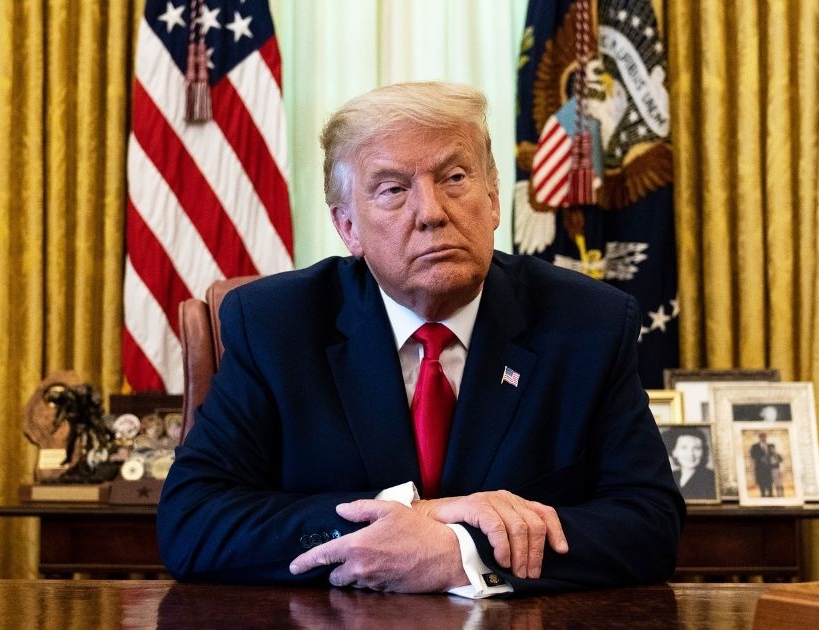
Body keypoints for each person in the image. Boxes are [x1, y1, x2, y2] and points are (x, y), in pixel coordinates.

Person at [156, 81, 684, 597]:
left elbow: (649, 523)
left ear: (495, 200)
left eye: (455, 177)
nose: (431, 212)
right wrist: (416, 516)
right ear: (348, 228)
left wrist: (459, 551)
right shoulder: (276, 324)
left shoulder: (588, 322)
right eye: (393, 189)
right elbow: (192, 520)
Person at [663, 428, 716, 501]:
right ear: (674, 452)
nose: (690, 454)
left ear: (703, 452)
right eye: (684, 448)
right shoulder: (670, 477)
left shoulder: (711, 478)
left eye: (696, 448)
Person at [749, 432, 773, 497]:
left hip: (768, 467)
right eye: (762, 437)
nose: (763, 438)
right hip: (760, 467)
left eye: (764, 437)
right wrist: (760, 458)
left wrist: (769, 459)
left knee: (769, 481)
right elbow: (752, 455)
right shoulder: (755, 446)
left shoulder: (770, 445)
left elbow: (773, 454)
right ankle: (763, 494)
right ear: (759, 438)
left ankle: (771, 494)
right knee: (761, 481)